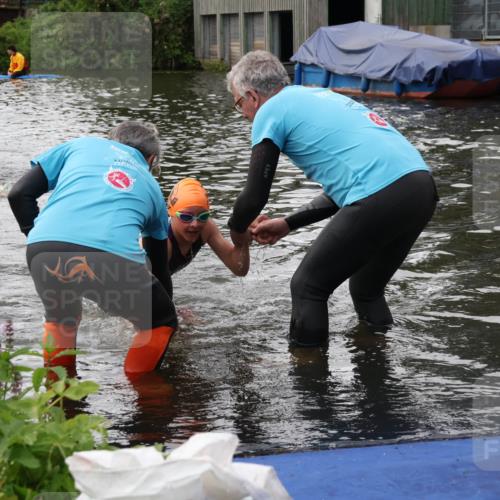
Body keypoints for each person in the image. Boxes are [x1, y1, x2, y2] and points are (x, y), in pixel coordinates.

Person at [226, 50, 438, 347]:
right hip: (420, 188)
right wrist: (288, 223)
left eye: (239, 105)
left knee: (307, 286)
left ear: (252, 96)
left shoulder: (269, 111)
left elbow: (254, 196)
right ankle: (377, 356)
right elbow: (353, 187)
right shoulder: (319, 96)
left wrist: (237, 233)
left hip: (382, 192)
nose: (244, 115)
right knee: (366, 289)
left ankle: (309, 380)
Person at [8, 121, 176, 376]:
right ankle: (146, 398)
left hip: (43, 249)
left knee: (62, 319)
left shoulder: (81, 145)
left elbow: (18, 194)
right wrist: (161, 306)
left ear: (112, 140)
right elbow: (159, 267)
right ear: (152, 159)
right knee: (161, 321)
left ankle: (59, 395)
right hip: (110, 259)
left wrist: (47, 243)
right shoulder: (152, 188)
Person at [166, 178, 250, 280]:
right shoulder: (162, 242)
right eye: (186, 217)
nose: (195, 224)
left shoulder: (206, 228)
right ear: (171, 214)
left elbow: (239, 268)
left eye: (203, 216)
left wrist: (241, 237)